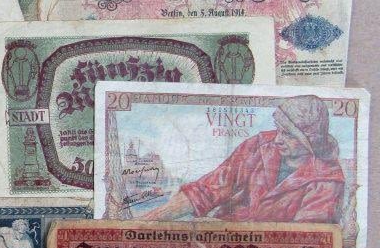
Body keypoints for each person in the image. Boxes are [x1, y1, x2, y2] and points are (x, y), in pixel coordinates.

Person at [142, 96, 345, 223]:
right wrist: (147, 220)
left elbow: (303, 242)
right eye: (278, 130)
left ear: (310, 140)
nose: (277, 139)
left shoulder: (327, 180)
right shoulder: (260, 145)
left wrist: (225, 230)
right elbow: (208, 189)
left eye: (288, 134)